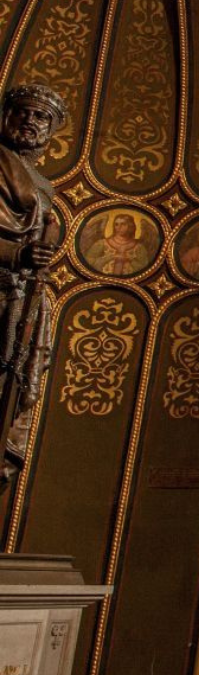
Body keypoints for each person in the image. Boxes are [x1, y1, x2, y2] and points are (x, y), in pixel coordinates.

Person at [0, 86, 66, 488]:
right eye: (22, 112)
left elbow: (41, 232)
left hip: (20, 299)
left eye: (41, 116)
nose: (30, 120)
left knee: (11, 389)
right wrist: (17, 254)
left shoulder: (43, 183)